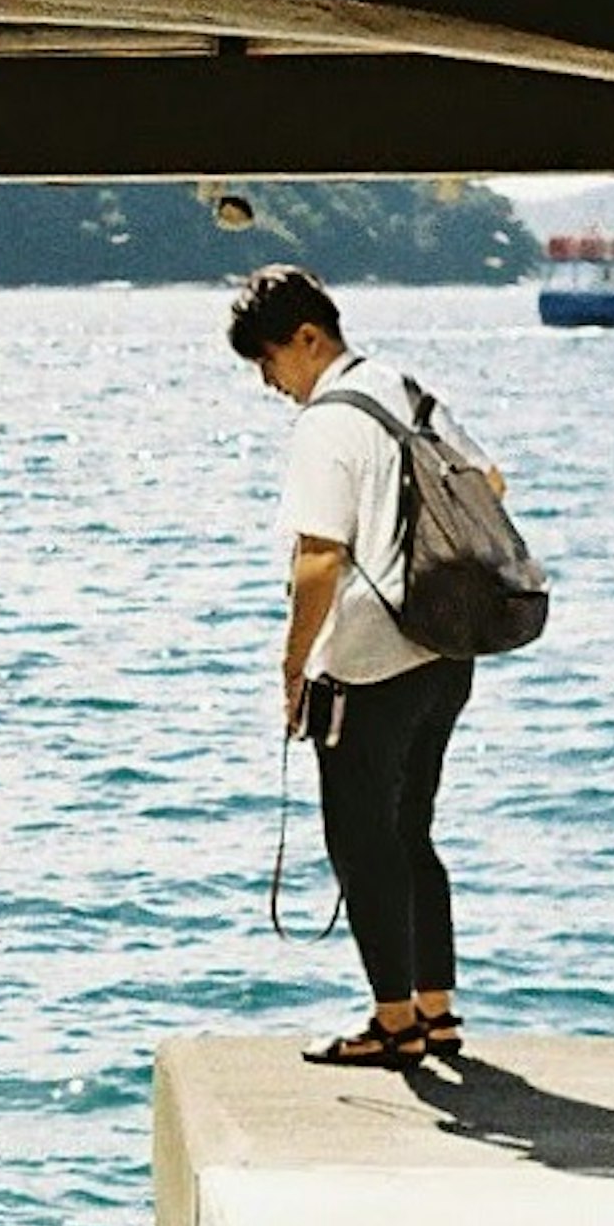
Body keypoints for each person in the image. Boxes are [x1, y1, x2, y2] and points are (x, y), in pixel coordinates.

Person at [226, 265, 500, 1070]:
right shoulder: (406, 391)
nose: (270, 382)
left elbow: (318, 558)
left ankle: (393, 1024)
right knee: (413, 830)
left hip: (369, 662)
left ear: (307, 338)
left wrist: (293, 665)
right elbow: (490, 481)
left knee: (360, 840)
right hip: (445, 648)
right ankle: (437, 1011)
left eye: (269, 361)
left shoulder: (327, 421)